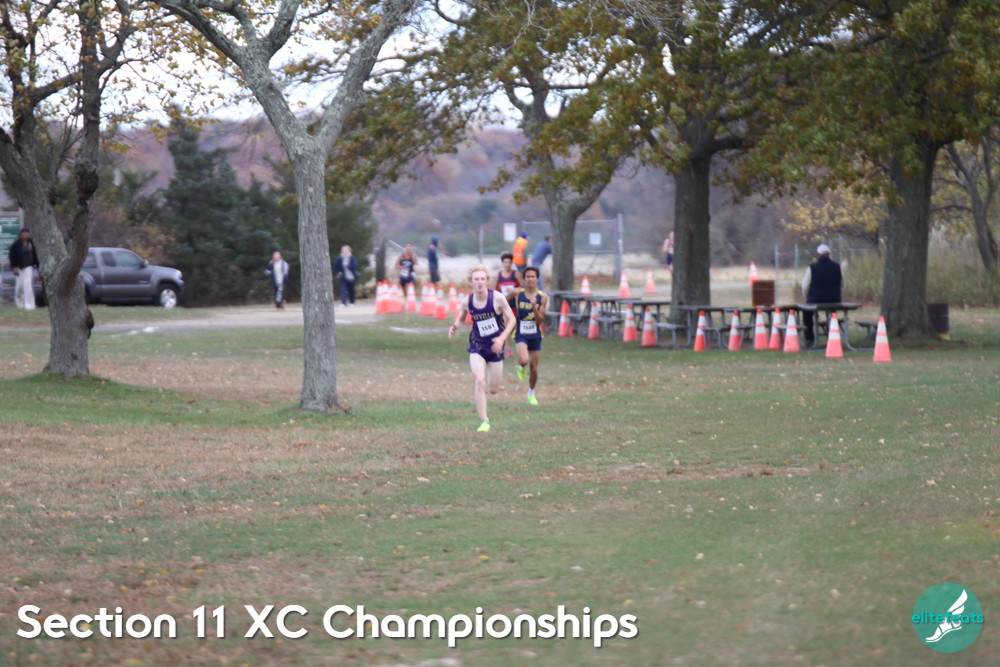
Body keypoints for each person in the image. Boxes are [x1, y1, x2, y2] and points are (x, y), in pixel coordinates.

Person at [449, 264, 516, 433]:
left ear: (487, 281)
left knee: (493, 390)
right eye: (476, 279)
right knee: (479, 381)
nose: (479, 282)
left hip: (495, 348)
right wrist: (455, 326)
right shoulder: (467, 301)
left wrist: (501, 338)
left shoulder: (498, 298)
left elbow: (512, 319)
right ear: (471, 282)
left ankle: (490, 390)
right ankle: (484, 421)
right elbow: (461, 318)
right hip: (477, 345)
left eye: (482, 279)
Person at [508, 266, 549, 405]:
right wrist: (504, 316)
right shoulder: (517, 293)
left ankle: (531, 393)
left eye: (533, 277)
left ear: (537, 279)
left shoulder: (542, 297)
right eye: (528, 277)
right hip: (521, 333)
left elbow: (540, 320)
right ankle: (521, 366)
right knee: (524, 360)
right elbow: (502, 302)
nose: (530, 279)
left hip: (535, 334)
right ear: (524, 279)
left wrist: (534, 307)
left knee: (534, 367)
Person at [801, 243, 844, 347]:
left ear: (818, 254)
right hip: (833, 300)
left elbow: (805, 286)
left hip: (815, 299)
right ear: (829, 254)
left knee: (807, 314)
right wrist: (837, 294)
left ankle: (810, 339)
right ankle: (832, 337)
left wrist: (808, 297)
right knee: (832, 314)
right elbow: (843, 284)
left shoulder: (812, 267)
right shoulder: (837, 267)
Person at [8, 228, 39, 310]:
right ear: (21, 234)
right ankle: (19, 304)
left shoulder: (31, 243)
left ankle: (30, 305)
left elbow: (35, 255)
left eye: (27, 233)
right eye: (24, 233)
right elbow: (11, 256)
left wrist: (37, 266)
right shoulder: (16, 244)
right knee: (19, 286)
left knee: (28, 285)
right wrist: (13, 267)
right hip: (19, 267)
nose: (25, 235)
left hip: (28, 267)